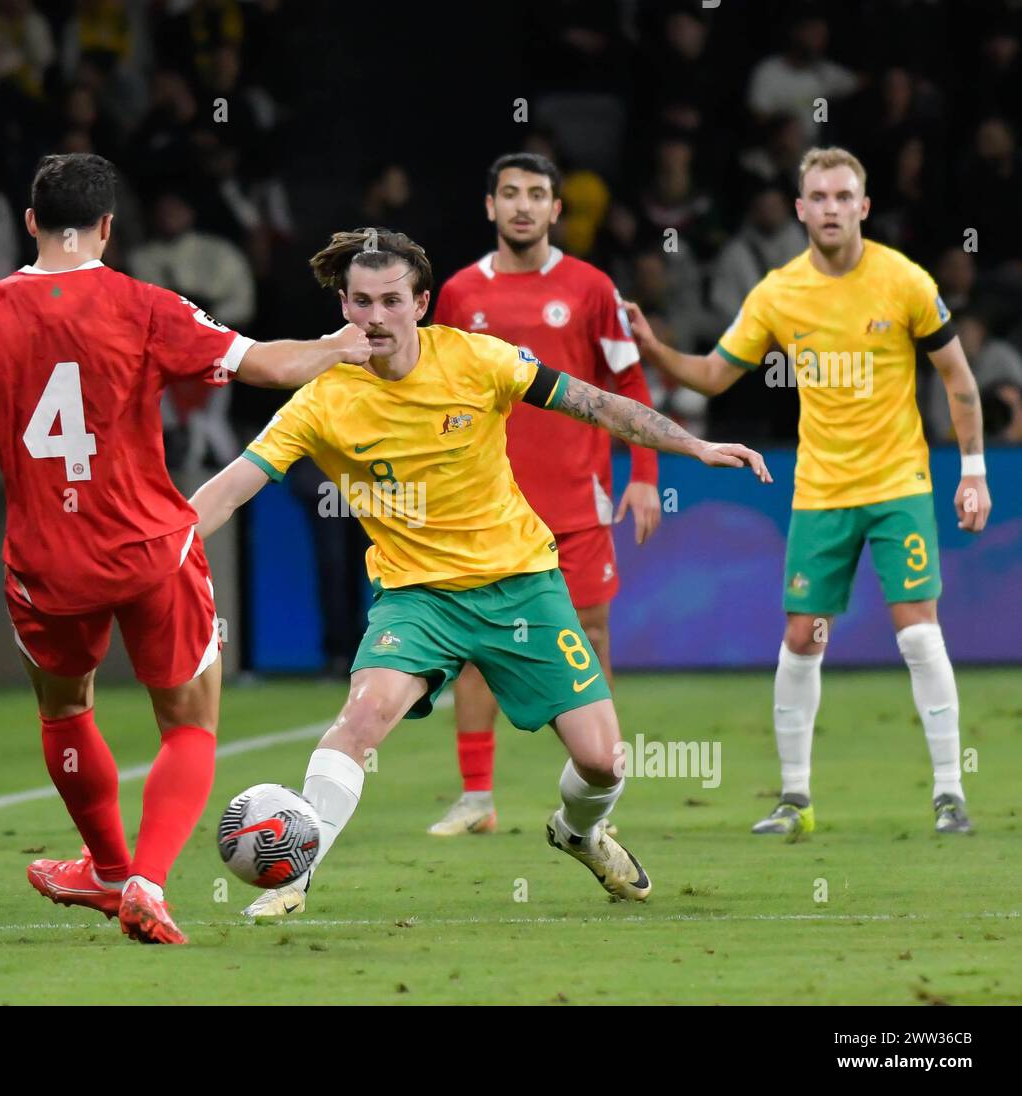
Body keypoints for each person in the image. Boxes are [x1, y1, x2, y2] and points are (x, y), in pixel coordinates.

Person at [0, 153, 372, 945]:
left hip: (46, 565)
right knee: (190, 725)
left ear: (29, 223)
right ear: (107, 226)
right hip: (148, 550)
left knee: (65, 710)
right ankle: (146, 882)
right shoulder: (145, 304)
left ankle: (105, 867)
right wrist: (340, 343)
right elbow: (266, 364)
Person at [189, 228, 771, 918]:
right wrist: (161, 549)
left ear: (422, 303)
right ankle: (296, 873)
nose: (376, 317)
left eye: (391, 300)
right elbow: (228, 488)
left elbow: (598, 403)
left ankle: (579, 832)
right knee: (361, 721)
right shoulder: (321, 399)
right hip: (416, 597)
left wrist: (693, 444)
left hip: (522, 583)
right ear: (343, 306)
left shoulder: (478, 359)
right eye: (361, 302)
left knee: (603, 762)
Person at [624, 147, 992, 837]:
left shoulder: (904, 281)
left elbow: (960, 379)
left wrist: (972, 473)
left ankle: (949, 793)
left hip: (897, 483)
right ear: (799, 209)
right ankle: (795, 800)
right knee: (801, 636)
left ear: (863, 206)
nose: (829, 207)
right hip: (820, 492)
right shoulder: (777, 293)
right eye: (817, 197)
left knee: (917, 633)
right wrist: (652, 345)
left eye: (842, 196)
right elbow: (710, 375)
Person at [426, 152, 661, 837]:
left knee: (588, 640)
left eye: (536, 194)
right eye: (510, 193)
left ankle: (599, 800)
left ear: (557, 210)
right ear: (489, 207)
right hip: (481, 508)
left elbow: (630, 389)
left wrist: (644, 476)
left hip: (576, 504)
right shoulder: (460, 294)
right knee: (472, 646)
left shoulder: (592, 289)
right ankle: (476, 800)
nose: (522, 205)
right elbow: (434, 390)